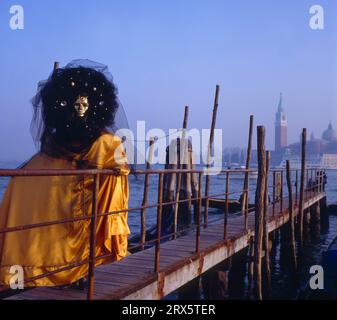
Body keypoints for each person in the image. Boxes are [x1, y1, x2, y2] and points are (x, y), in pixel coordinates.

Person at [0, 60, 130, 287]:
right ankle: (56, 269)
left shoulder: (107, 142)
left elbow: (119, 164)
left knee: (78, 228)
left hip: (85, 198)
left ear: (93, 106)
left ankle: (77, 268)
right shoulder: (57, 140)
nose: (80, 107)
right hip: (69, 195)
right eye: (76, 103)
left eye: (85, 103)